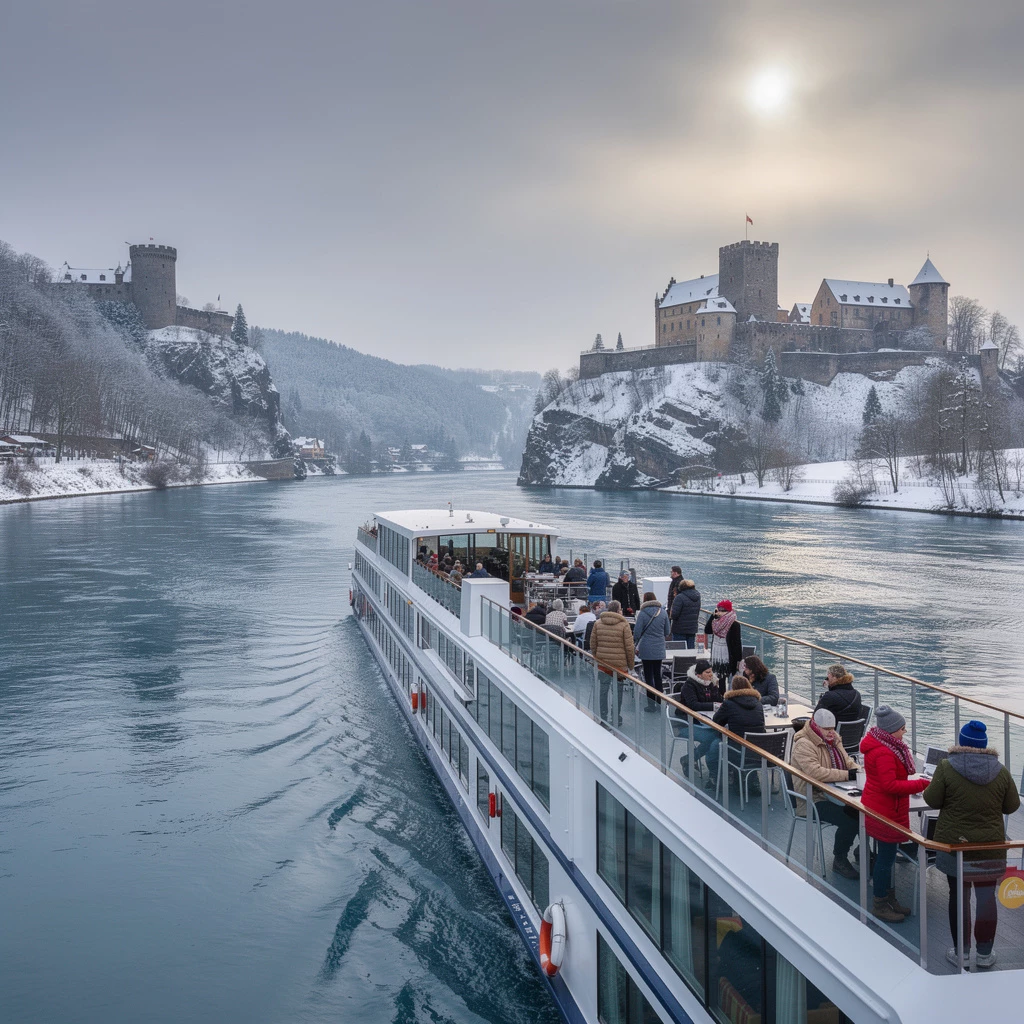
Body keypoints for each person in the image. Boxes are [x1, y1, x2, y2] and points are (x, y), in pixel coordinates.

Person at [923, 720, 1021, 969]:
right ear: (984, 745)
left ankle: (962, 954)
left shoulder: (946, 767)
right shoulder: (1000, 769)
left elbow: (932, 800)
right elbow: (1011, 806)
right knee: (987, 897)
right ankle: (986, 954)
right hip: (990, 847)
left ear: (961, 742)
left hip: (956, 848)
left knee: (959, 896)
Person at [860, 706, 928, 924]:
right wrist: (921, 784)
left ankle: (889, 899)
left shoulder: (885, 746)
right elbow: (889, 785)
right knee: (885, 860)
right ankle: (880, 903)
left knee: (886, 857)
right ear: (891, 731)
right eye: (902, 729)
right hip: (884, 810)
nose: (904, 732)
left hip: (884, 807)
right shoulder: (884, 752)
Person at [790, 708, 860, 879]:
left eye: (833, 728)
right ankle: (840, 859)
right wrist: (847, 775)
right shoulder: (803, 744)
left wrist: (860, 771)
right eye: (827, 729)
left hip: (833, 792)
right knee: (851, 819)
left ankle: (864, 852)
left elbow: (847, 761)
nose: (832, 733)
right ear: (815, 725)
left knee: (863, 813)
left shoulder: (834, 739)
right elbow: (816, 773)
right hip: (812, 799)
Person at [706, 674, 765, 790]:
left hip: (737, 752)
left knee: (714, 747)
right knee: (747, 743)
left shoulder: (729, 703)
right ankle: (752, 779)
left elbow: (716, 721)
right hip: (758, 752)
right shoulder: (758, 703)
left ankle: (716, 779)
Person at [589, 600, 634, 725]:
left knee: (603, 691)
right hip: (619, 666)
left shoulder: (598, 623)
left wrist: (596, 657)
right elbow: (629, 648)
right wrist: (630, 665)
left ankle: (603, 717)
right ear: (619, 610)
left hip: (603, 664)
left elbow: (593, 643)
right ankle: (616, 717)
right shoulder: (624, 625)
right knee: (617, 692)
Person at [675, 659, 722, 775]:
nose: (711, 675)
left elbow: (720, 701)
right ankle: (689, 759)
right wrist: (713, 706)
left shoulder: (711, 684)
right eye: (707, 672)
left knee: (718, 735)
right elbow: (693, 705)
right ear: (698, 675)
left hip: (704, 722)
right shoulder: (689, 686)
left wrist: (716, 688)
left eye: (711, 672)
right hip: (686, 723)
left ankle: (690, 759)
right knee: (713, 738)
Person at [633, 592, 671, 709]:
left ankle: (651, 704)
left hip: (646, 647)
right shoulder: (663, 612)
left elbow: (637, 633)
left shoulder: (642, 614)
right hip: (659, 647)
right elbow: (667, 632)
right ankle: (660, 702)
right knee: (658, 675)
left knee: (648, 676)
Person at [705, 600, 742, 682]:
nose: (719, 612)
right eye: (718, 609)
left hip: (728, 654)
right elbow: (707, 630)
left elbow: (737, 643)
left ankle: (727, 693)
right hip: (716, 653)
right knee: (719, 676)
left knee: (728, 676)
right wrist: (712, 616)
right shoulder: (715, 622)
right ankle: (720, 693)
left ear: (727, 611)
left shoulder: (734, 624)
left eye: (722, 610)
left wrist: (738, 660)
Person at [670, 579, 700, 646]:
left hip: (679, 629)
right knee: (690, 650)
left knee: (679, 651)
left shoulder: (679, 597)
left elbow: (674, 615)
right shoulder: (697, 597)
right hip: (692, 628)